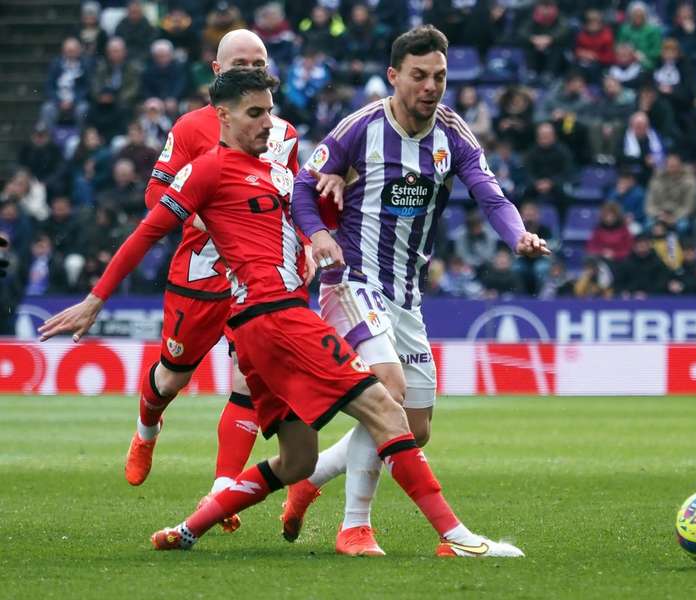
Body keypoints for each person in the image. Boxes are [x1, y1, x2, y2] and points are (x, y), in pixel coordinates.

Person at [38, 68, 523, 559]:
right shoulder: (207, 168)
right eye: (255, 113)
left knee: (297, 460)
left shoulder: (277, 172)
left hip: (260, 327)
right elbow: (148, 230)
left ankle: (187, 528)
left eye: (270, 110)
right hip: (276, 316)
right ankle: (457, 538)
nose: (268, 122)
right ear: (222, 117)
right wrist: (96, 299)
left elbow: (318, 216)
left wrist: (333, 191)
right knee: (384, 409)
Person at [291, 25, 549, 556]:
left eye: (440, 76)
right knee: (387, 390)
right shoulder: (360, 127)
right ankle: (355, 528)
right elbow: (302, 189)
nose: (431, 86)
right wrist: (318, 236)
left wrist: (518, 233)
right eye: (419, 76)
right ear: (394, 77)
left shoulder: (453, 134)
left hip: (406, 295)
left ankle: (310, 477)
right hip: (352, 281)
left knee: (414, 427)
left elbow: (489, 194)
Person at [121, 31, 309, 534]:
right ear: (216, 70)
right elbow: (154, 194)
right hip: (199, 272)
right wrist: (201, 214)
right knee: (172, 376)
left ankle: (222, 490)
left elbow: (293, 201)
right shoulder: (190, 128)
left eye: (260, 61)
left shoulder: (283, 132)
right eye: (240, 63)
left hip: (255, 276)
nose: (252, 69)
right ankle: (146, 429)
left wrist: (305, 248)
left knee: (248, 382)